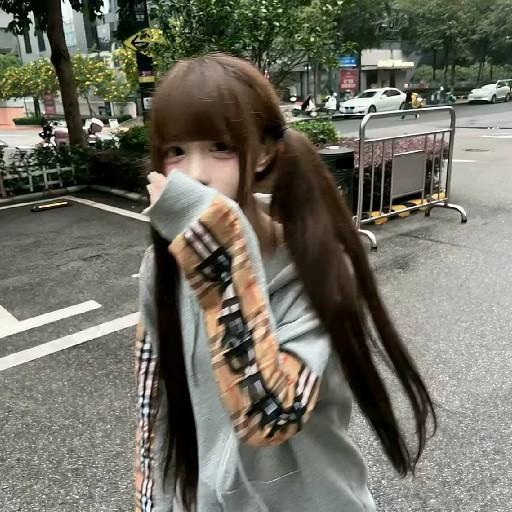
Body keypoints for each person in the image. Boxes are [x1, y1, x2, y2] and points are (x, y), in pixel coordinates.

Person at [135, 53, 436, 512]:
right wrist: (151, 501)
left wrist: (218, 258)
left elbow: (272, 415)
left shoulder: (315, 266)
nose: (195, 174)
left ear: (264, 153)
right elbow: (153, 405)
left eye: (220, 147)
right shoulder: (162, 268)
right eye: (176, 151)